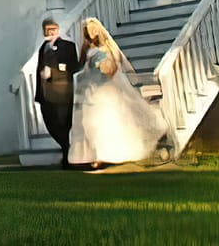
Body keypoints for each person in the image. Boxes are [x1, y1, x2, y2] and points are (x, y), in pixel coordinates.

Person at [68, 17, 171, 169]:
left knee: (108, 121)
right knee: (91, 124)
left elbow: (112, 68)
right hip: (92, 90)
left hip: (107, 89)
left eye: (94, 29)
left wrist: (102, 65)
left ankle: (111, 153)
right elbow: (83, 68)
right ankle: (96, 155)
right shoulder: (88, 50)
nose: (93, 32)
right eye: (89, 31)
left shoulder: (107, 48)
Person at [33, 17, 79, 169]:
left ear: (58, 30)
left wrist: (53, 72)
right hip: (46, 94)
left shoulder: (68, 46)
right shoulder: (43, 48)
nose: (50, 32)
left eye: (53, 29)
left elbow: (72, 67)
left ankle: (67, 156)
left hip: (62, 92)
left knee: (63, 124)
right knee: (51, 124)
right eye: (47, 30)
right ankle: (66, 150)